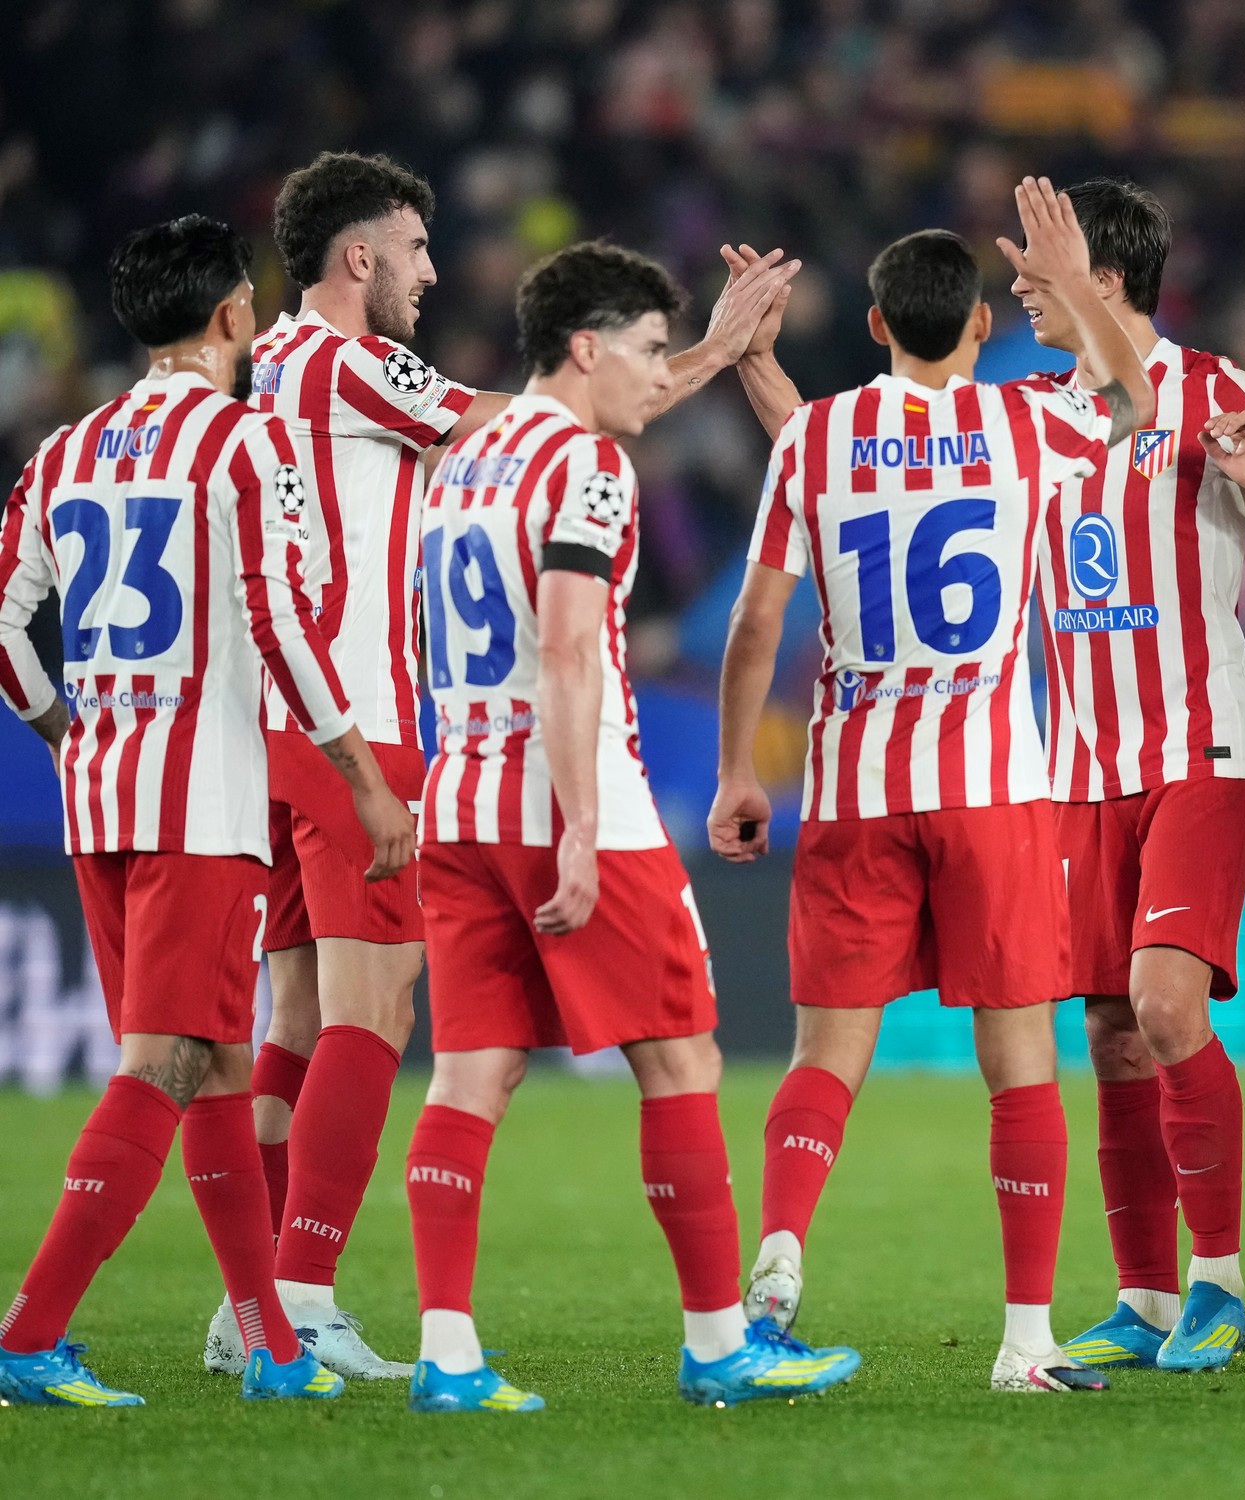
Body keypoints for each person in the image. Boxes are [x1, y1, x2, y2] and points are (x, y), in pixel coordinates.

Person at [227, 152, 800, 1379]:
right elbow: (538, 428)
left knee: (303, 1017)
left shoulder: (260, 363)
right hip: (363, 720)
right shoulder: (351, 362)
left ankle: (258, 1301)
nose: (432, 273)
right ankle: (301, 1294)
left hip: (274, 716)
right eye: (414, 250)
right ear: (358, 256)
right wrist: (706, 352)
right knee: (376, 1016)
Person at [708, 179, 1156, 1393]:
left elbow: (756, 618)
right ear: (979, 326)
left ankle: (776, 1273)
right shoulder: (1023, 425)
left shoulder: (813, 440)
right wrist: (1071, 280)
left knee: (823, 1056)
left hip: (855, 791)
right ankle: (1025, 1342)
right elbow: (1132, 399)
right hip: (993, 790)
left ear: (872, 325)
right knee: (1019, 1064)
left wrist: (738, 769)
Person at [404, 239, 857, 1413]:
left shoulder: (461, 461)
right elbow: (565, 650)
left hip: (459, 799)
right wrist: (578, 824)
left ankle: (446, 1355)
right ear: (585, 347)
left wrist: (715, 342)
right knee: (681, 1057)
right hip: (572, 803)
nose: (663, 377)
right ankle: (718, 1345)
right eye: (650, 351)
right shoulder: (587, 465)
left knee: (469, 1075)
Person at [0, 214, 414, 1407]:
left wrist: (61, 728)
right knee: (169, 1061)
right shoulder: (244, 444)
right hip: (200, 801)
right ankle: (28, 1335)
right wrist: (363, 777)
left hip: (100, 799)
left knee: (224, 1062)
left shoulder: (66, 450)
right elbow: (283, 622)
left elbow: (4, 625)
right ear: (234, 312)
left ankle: (272, 1347)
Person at [1001, 177, 1245, 1373]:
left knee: (1166, 1006)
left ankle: (1217, 1285)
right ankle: (1140, 1301)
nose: (1019, 294)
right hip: (1082, 765)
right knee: (1109, 1032)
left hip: (1202, 747)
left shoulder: (1216, 390)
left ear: (1103, 278)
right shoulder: (1030, 412)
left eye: (1036, 273)